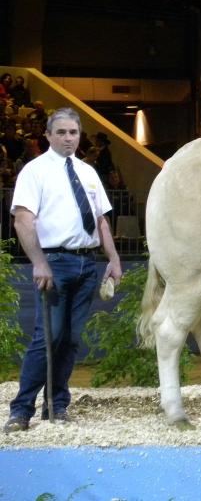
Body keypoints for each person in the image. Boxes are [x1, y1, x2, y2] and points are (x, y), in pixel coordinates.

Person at [3, 107, 122, 434]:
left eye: (74, 133)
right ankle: (21, 409)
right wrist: (39, 262)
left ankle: (56, 406)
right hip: (54, 262)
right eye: (62, 132)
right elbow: (22, 220)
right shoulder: (34, 171)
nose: (69, 138)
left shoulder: (88, 172)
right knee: (48, 337)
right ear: (48, 135)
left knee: (70, 340)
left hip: (87, 263)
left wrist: (112, 258)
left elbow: (100, 219)